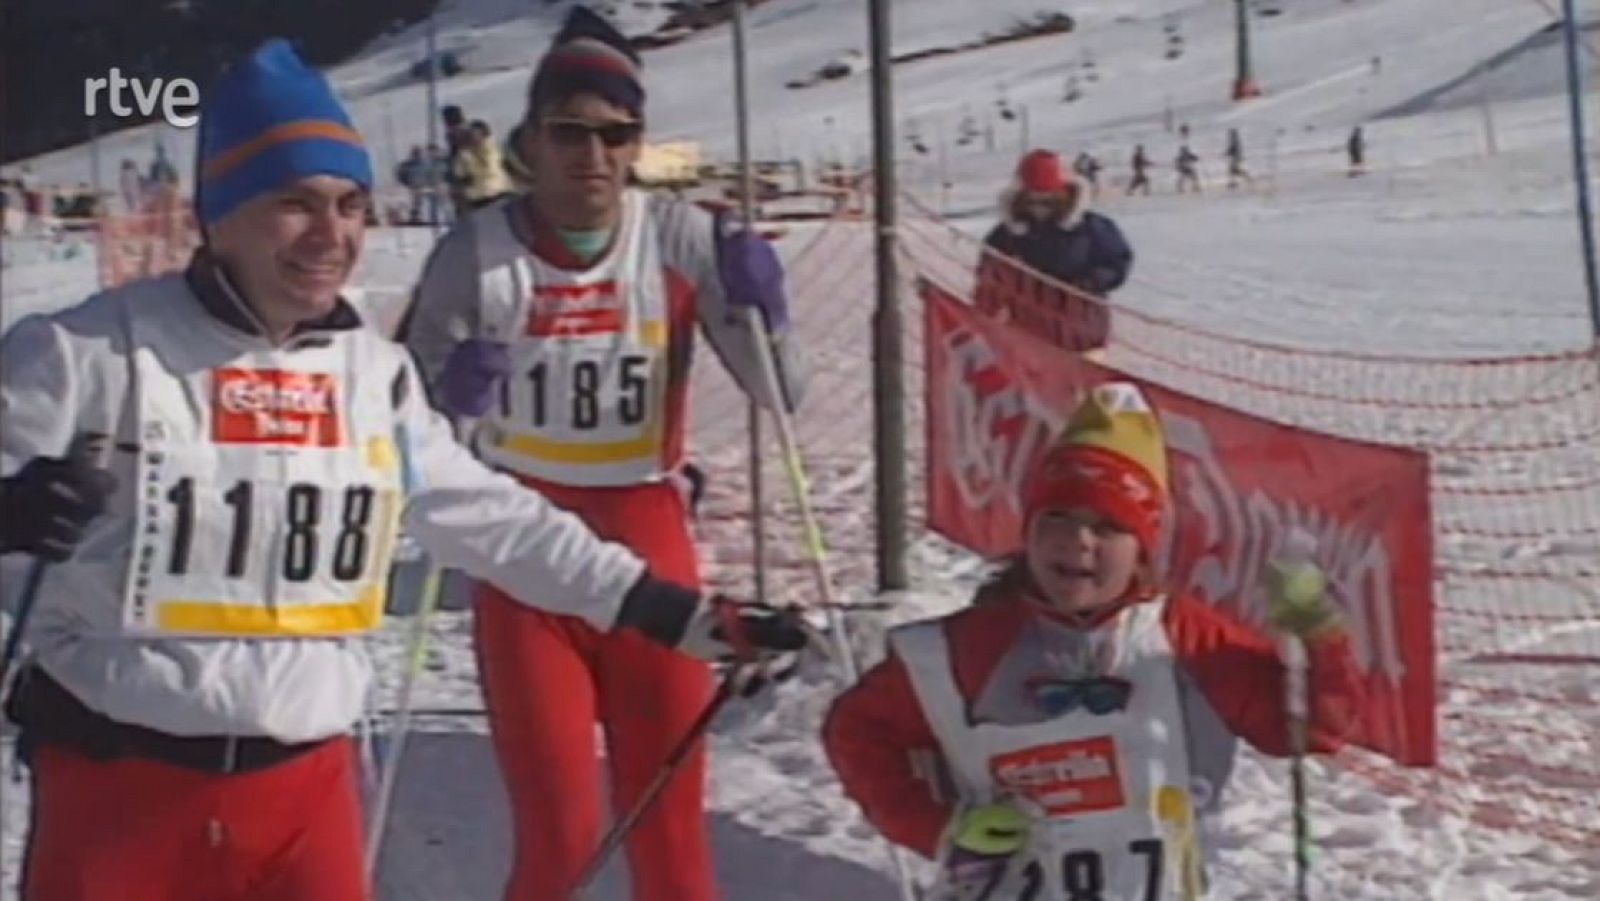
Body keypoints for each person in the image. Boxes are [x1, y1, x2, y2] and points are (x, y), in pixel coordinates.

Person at [0, 39, 807, 901]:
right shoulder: (85, 353)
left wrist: (673, 613)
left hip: (307, 797)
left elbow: (495, 519)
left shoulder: (365, 375)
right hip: (122, 792)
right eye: (294, 204)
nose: (331, 235)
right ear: (220, 214)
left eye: (350, 205)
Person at [397, 8, 806, 901]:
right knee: (563, 836)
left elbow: (781, 394)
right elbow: (403, 437)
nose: (593, 155)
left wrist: (763, 309)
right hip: (525, 557)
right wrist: (447, 395)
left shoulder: (678, 238)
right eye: (570, 132)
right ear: (530, 144)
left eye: (616, 135)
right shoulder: (476, 252)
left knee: (670, 834)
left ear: (636, 148)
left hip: (647, 533)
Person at [822, 382, 1364, 901]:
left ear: (1143, 549)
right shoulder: (966, 648)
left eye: (1107, 527)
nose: (1078, 541)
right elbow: (857, 729)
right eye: (1057, 517)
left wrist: (1318, 635)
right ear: (1029, 531)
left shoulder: (1188, 638)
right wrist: (939, 826)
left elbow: (1306, 727)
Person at [451, 119, 514, 209]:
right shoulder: (463, 155)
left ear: (484, 135)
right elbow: (462, 178)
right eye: (471, 136)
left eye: (477, 135)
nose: (474, 138)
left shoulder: (495, 149)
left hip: (502, 192)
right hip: (479, 198)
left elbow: (509, 166)